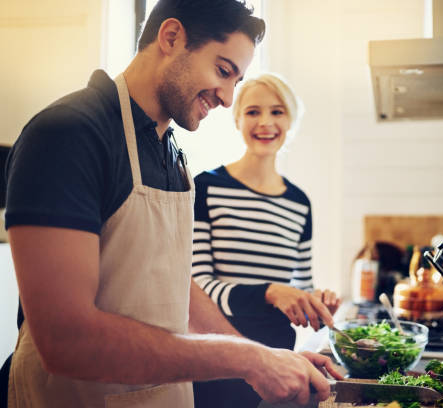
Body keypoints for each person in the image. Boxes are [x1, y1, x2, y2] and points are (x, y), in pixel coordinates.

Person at [2, 1, 341, 407]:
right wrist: (249, 359)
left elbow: (175, 284)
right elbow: (65, 341)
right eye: (222, 70)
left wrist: (265, 357)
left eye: (237, 79)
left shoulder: (171, 150)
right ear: (171, 37)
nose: (228, 97)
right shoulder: (69, 134)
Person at [190, 73, 341, 407]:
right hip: (219, 357)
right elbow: (197, 286)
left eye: (277, 111)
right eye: (253, 112)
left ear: (290, 120)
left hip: (277, 356)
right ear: (237, 119)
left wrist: (315, 304)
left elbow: (300, 286)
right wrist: (270, 293)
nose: (265, 123)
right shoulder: (207, 187)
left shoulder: (299, 202)